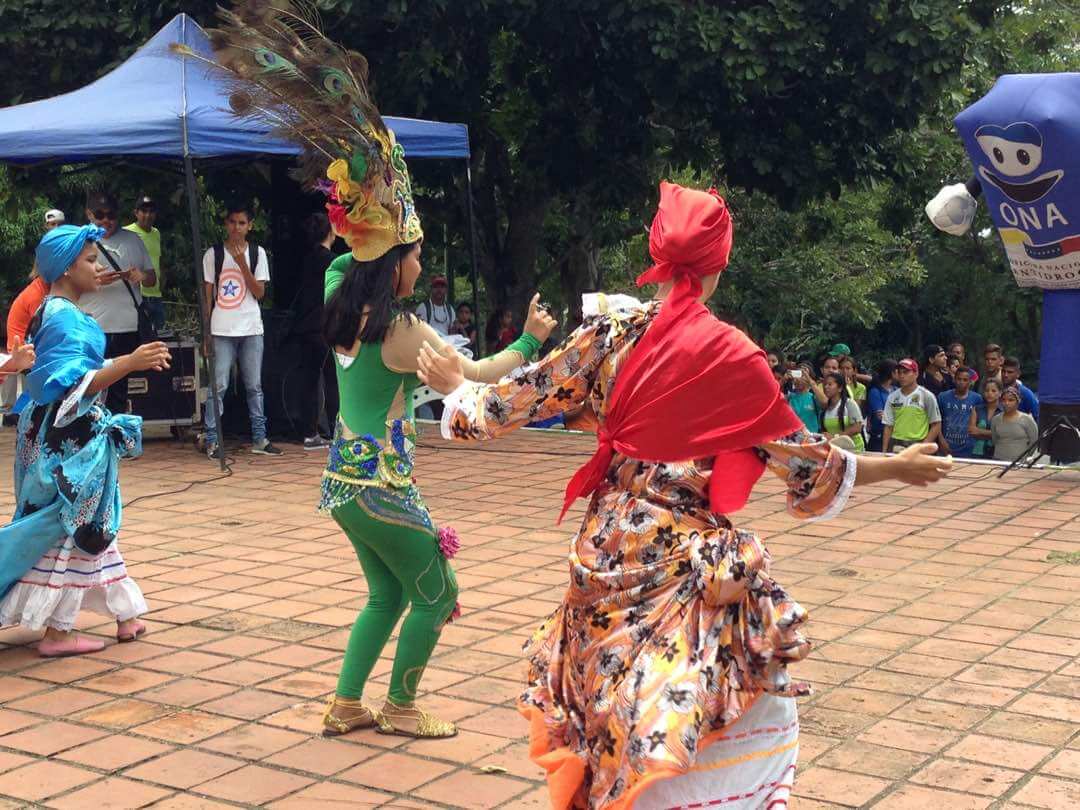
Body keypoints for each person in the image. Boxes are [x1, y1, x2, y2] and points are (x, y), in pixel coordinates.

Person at [418, 182, 952, 810]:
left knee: (607, 699)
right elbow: (808, 465)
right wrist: (898, 466)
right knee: (711, 700)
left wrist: (458, 386)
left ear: (658, 255)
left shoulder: (610, 333)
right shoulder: (732, 356)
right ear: (720, 263)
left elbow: (505, 405)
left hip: (603, 551)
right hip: (683, 565)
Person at [0, 224, 170, 656]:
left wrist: (127, 362)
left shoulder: (58, 312)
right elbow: (73, 385)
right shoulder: (64, 316)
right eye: (91, 260)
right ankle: (59, 632)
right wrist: (129, 362)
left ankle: (126, 616)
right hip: (66, 442)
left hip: (63, 436)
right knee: (72, 523)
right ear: (66, 267)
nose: (98, 267)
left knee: (91, 519)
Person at [201, 204, 282, 459]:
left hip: (250, 327)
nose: (236, 228)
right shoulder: (212, 255)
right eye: (232, 222)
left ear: (250, 226)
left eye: (242, 223)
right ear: (226, 224)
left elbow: (259, 293)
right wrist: (206, 334)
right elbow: (206, 297)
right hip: (221, 328)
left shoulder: (257, 254)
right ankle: (212, 439)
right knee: (219, 384)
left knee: (254, 385)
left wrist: (241, 264)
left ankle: (260, 438)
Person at [79, 190, 156, 414]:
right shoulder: (81, 241)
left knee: (120, 389)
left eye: (111, 215)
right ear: (89, 214)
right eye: (100, 215)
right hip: (93, 326)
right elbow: (65, 280)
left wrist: (141, 276)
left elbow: (152, 279)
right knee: (91, 384)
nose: (106, 221)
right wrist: (95, 280)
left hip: (126, 326)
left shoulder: (133, 239)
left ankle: (115, 436)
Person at [293, 212, 339, 450]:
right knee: (333, 378)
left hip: (305, 325)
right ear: (330, 232)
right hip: (324, 326)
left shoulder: (307, 258)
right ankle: (337, 431)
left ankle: (310, 433)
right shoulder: (333, 261)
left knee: (309, 380)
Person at [123, 195, 165, 332]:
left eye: (151, 211)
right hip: (138, 296)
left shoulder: (156, 233)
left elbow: (158, 259)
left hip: (156, 294)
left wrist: (162, 281)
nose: (148, 215)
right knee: (140, 338)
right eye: (144, 211)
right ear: (136, 212)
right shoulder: (127, 232)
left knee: (159, 338)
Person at [882, 358, 942, 453]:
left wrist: (923, 447)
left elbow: (936, 424)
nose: (902, 376)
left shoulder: (926, 395)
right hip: (895, 443)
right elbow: (888, 426)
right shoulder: (892, 397)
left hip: (917, 442)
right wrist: (884, 452)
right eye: (899, 373)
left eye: (905, 372)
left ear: (916, 374)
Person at [938, 367, 983, 457]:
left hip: (969, 448)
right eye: (959, 379)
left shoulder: (977, 399)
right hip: (946, 446)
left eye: (965, 380)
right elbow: (936, 421)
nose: (961, 382)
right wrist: (941, 440)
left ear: (970, 382)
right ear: (954, 379)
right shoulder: (942, 397)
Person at [821, 371, 865, 452]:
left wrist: (835, 437)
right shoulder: (825, 408)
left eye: (830, 384)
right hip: (836, 451)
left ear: (840, 388)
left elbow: (857, 428)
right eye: (825, 385)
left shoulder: (849, 404)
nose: (826, 387)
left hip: (854, 450)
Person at [992, 386, 1039, 462]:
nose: (1006, 403)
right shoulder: (996, 419)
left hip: (1019, 462)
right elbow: (994, 440)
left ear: (1018, 401)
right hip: (998, 460)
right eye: (1003, 400)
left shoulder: (1027, 419)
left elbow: (1034, 442)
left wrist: (1025, 457)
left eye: (1011, 400)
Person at [867, 359, 897, 452]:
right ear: (892, 373)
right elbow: (880, 416)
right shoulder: (875, 392)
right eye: (897, 371)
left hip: (895, 435)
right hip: (879, 436)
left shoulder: (896, 390)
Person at [970, 378, 1003, 459]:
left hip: (997, 453)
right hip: (977, 452)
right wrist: (992, 434)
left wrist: (980, 432)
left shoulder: (1003, 411)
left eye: (993, 391)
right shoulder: (977, 409)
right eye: (987, 390)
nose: (989, 393)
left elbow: (1002, 434)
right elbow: (972, 431)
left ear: (1000, 393)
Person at [785, 363, 824, 433]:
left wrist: (811, 382)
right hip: (792, 439)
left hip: (811, 439)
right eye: (798, 375)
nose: (799, 379)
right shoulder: (789, 397)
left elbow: (824, 402)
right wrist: (783, 379)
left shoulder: (813, 398)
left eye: (804, 376)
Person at [1001, 356, 1039, 420]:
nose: (1005, 375)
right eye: (1003, 371)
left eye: (1010, 372)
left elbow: (1036, 416)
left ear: (1018, 374)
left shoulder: (1025, 394)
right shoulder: (995, 390)